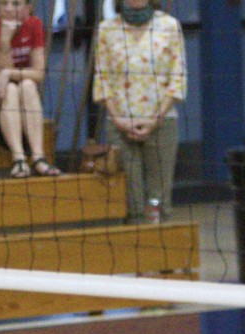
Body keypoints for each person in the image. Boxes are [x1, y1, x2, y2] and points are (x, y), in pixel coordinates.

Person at [92, 0, 186, 223]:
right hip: (119, 124)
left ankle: (162, 253)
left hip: (162, 123)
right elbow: (101, 80)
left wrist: (155, 118)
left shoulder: (170, 26)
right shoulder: (107, 30)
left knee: (159, 200)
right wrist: (119, 119)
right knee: (129, 201)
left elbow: (178, 78)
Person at [0, 0, 61, 178]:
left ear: (28, 7)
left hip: (20, 92)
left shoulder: (34, 25)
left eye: (16, 4)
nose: (8, 9)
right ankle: (19, 159)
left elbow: (39, 73)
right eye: (4, 3)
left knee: (27, 85)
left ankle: (38, 158)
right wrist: (4, 41)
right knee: (10, 88)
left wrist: (8, 72)